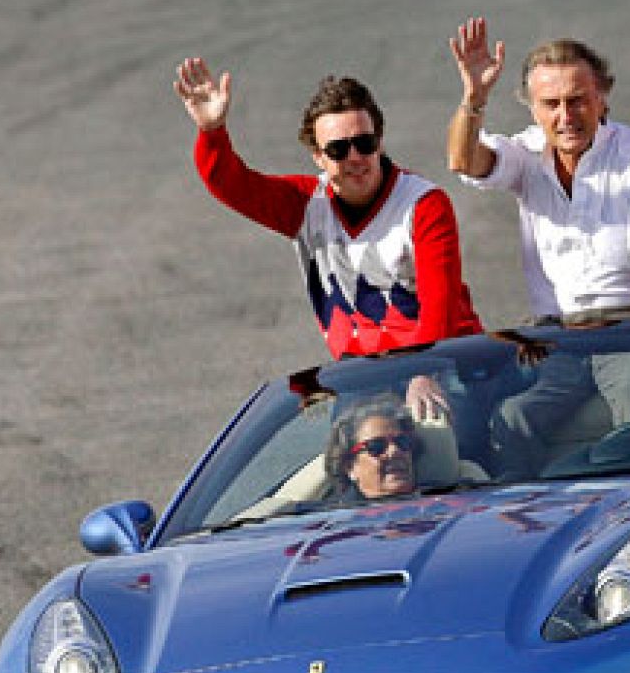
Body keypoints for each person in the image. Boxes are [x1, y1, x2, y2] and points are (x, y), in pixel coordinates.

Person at [446, 20, 630, 473]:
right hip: (556, 339)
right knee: (509, 416)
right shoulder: (525, 154)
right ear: (532, 108)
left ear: (601, 96)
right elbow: (463, 161)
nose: (565, 116)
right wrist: (474, 99)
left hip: (627, 329)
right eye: (551, 104)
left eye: (577, 100)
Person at [175, 59, 483, 418]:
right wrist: (212, 131)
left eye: (364, 143)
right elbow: (232, 184)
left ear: (380, 143)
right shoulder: (305, 204)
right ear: (318, 157)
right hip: (364, 383)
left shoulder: (424, 204)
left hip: (445, 369)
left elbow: (440, 303)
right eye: (338, 150)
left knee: (441, 456)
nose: (355, 158)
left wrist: (425, 372)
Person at [324, 398, 418, 501]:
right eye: (376, 446)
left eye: (402, 442)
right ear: (349, 467)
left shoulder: (435, 500)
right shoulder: (338, 516)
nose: (395, 451)